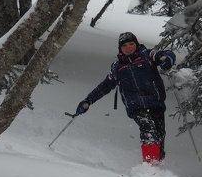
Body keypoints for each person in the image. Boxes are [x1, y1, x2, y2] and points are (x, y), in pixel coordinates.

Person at [75, 32, 176, 165]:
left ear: (136, 44)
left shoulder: (147, 55)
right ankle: (150, 165)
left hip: (155, 102)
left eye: (131, 44)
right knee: (148, 128)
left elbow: (166, 54)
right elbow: (105, 86)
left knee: (159, 134)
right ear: (120, 48)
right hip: (135, 105)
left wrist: (167, 59)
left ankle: (158, 164)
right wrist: (88, 100)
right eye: (124, 45)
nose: (128, 47)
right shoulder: (117, 67)